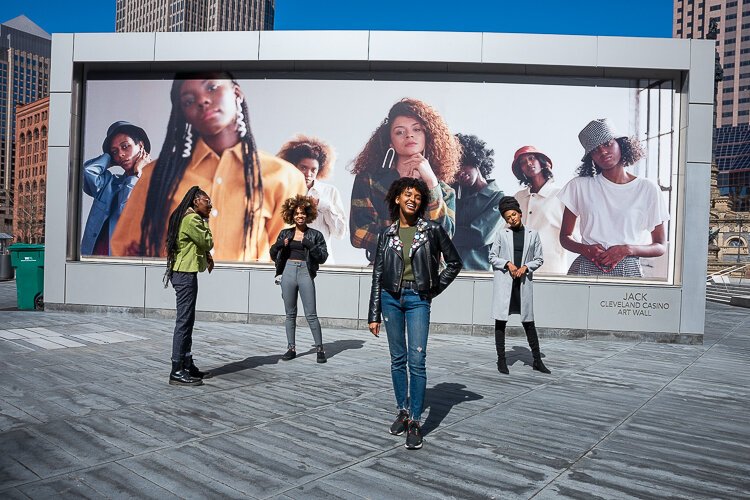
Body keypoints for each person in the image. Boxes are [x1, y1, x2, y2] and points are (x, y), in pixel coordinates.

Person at [110, 72, 306, 261]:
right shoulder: (158, 175)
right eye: (188, 100)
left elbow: (286, 258)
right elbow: (126, 250)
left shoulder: (284, 177)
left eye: (212, 87)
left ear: (236, 93)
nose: (202, 100)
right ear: (184, 113)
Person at [368, 177, 463, 450]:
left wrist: (432, 288)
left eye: (418, 196)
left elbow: (454, 263)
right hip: (389, 299)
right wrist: (373, 313)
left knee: (417, 359)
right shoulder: (386, 234)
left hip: (417, 299)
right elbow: (377, 275)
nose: (412, 199)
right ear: (397, 198)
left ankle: (415, 422)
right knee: (397, 359)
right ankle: (402, 410)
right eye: (407, 194)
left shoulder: (432, 230)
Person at [350, 98, 461, 263]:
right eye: (399, 131)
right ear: (390, 142)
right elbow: (360, 234)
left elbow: (444, 237)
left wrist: (431, 184)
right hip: (385, 273)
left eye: (417, 129)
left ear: (427, 137)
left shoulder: (443, 190)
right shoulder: (369, 181)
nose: (409, 135)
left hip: (430, 277)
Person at [557, 119, 669, 277]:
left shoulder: (647, 189)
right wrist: (585, 249)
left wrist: (627, 249)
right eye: (595, 150)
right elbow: (564, 237)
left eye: (607, 144)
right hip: (585, 266)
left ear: (621, 144)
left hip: (628, 268)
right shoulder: (579, 186)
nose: (602, 152)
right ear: (591, 157)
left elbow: (660, 246)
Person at [489, 196, 550, 375]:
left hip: (522, 283)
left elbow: (539, 259)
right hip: (505, 283)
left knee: (529, 323)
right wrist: (508, 263)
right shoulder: (501, 234)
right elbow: (492, 257)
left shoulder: (533, 234)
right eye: (507, 218)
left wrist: (525, 267)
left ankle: (537, 360)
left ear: (520, 214)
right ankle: (501, 360)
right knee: (501, 322)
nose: (511, 219)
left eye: (513, 215)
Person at [164, 186, 215, 387]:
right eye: (207, 201)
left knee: (187, 320)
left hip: (183, 273)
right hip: (184, 275)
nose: (210, 205)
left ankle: (186, 363)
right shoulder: (193, 219)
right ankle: (176, 370)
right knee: (184, 321)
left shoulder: (185, 216)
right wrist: (206, 222)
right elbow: (207, 242)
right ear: (196, 201)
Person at [270, 195, 329, 363]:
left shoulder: (315, 235)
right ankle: (291, 348)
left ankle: (320, 349)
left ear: (308, 214)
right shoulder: (285, 233)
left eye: (303, 213)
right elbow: (273, 254)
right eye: (296, 213)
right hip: (288, 271)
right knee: (290, 314)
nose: (300, 216)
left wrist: (310, 245)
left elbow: (323, 257)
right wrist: (280, 245)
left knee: (311, 314)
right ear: (291, 215)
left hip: (305, 272)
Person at [81, 121, 151, 256]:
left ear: (141, 146)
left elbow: (126, 213)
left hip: (126, 263)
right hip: (91, 258)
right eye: (115, 151)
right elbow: (87, 172)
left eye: (125, 146)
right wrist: (108, 157)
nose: (121, 154)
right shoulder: (110, 183)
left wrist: (137, 175)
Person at [277, 135, 347, 263]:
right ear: (294, 165)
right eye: (303, 167)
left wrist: (323, 205)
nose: (308, 174)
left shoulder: (329, 192)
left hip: (321, 265)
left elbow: (340, 233)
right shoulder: (283, 190)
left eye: (313, 169)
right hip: (289, 264)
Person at [511, 146, 570, 275]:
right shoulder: (518, 197)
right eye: (522, 162)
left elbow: (575, 232)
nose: (528, 163)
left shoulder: (561, 195)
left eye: (531, 158)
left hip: (551, 267)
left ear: (542, 162)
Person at [452, 133, 504, 271]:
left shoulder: (499, 199)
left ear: (476, 161)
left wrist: (443, 234)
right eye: (454, 169)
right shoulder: (456, 196)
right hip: (450, 271)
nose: (459, 172)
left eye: (462, 164)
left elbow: (478, 236)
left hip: (478, 273)